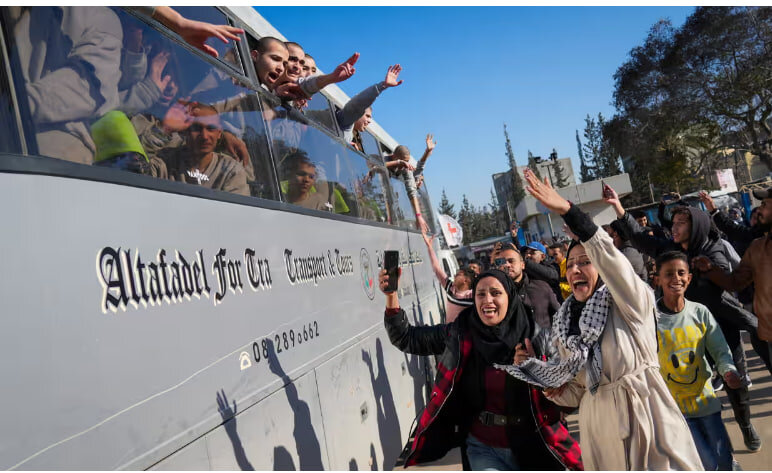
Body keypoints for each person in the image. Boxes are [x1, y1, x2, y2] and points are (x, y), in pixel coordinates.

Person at [500, 168, 702, 470]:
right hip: (599, 429)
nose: (576, 270)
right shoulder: (565, 323)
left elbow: (611, 259)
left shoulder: (630, 300)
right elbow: (577, 392)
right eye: (572, 264)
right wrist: (540, 375)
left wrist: (570, 212)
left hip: (646, 416)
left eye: (587, 262)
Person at [606, 183, 763, 452]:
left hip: (721, 326)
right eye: (674, 222)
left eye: (681, 223)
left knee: (734, 381)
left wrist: (703, 269)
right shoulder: (672, 248)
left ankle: (746, 424)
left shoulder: (713, 248)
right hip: (684, 330)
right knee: (687, 382)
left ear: (696, 226)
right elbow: (644, 239)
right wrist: (619, 208)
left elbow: (723, 279)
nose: (674, 228)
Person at [379, 266, 582, 470]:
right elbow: (405, 338)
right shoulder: (460, 334)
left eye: (496, 293)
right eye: (480, 294)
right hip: (482, 449)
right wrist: (391, 296)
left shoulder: (538, 338)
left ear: (510, 297)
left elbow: (568, 393)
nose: (487, 300)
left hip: (533, 445)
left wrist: (535, 369)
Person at [654, 251, 742, 471]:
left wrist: (728, 370)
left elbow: (720, 349)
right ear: (657, 279)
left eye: (681, 273)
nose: (676, 278)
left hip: (706, 402)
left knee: (723, 460)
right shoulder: (650, 319)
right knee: (706, 464)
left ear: (690, 278)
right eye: (668, 274)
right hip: (675, 409)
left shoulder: (699, 312)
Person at [693, 187, 772, 375]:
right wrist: (710, 270)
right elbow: (735, 282)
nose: (759, 210)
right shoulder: (757, 247)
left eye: (765, 205)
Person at [159, 102, 248, 196]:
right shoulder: (165, 162)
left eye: (211, 128)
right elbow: (143, 170)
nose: (205, 136)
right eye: (197, 128)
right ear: (185, 131)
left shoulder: (231, 171)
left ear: (219, 133)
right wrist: (164, 129)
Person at [495, 243, 559, 331]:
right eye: (502, 262)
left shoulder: (542, 286)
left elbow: (559, 317)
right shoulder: (496, 294)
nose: (507, 265)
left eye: (511, 261)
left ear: (523, 264)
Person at [421, 231, 474, 323]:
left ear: (466, 280)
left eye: (458, 275)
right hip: (448, 334)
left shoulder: (472, 296)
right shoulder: (450, 288)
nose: (454, 276)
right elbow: (437, 269)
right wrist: (429, 247)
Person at [384, 144, 430, 233]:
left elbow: (411, 190)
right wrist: (398, 162)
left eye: (407, 161)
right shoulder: (385, 158)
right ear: (394, 157)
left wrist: (418, 215)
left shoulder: (406, 167)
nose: (406, 164)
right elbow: (377, 163)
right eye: (404, 161)